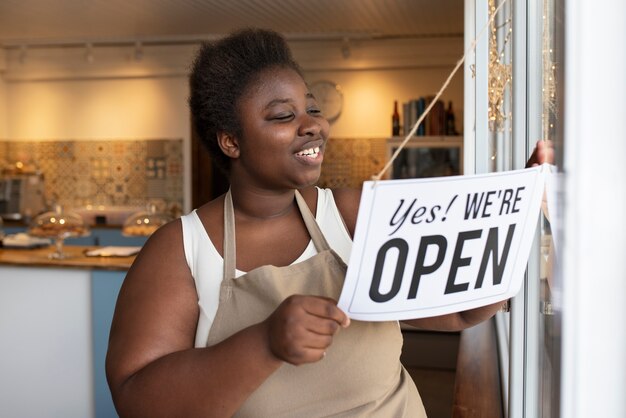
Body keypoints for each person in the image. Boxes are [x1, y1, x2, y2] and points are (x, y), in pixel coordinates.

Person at [106, 28, 549, 417]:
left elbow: (460, 310)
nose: (311, 126)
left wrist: (515, 214)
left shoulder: (353, 215)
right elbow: (137, 400)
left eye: (312, 109)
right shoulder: (180, 250)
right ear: (230, 141)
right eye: (283, 115)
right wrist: (264, 343)